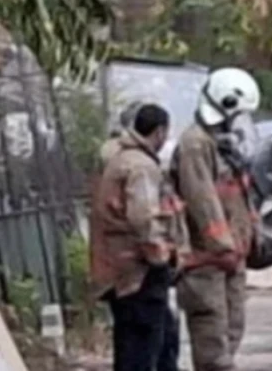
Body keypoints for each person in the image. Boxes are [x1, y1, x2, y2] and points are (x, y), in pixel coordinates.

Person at [173, 68, 261, 371]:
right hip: (207, 261)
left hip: (229, 258)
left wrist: (248, 241)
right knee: (212, 339)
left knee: (232, 331)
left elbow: (237, 197)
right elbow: (203, 200)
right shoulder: (195, 144)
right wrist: (222, 244)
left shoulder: (221, 145)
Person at [90, 104, 187, 371]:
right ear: (159, 132)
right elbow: (143, 218)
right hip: (138, 274)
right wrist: (161, 257)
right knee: (142, 349)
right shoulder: (141, 166)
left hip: (122, 271)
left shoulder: (121, 159)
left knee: (160, 340)